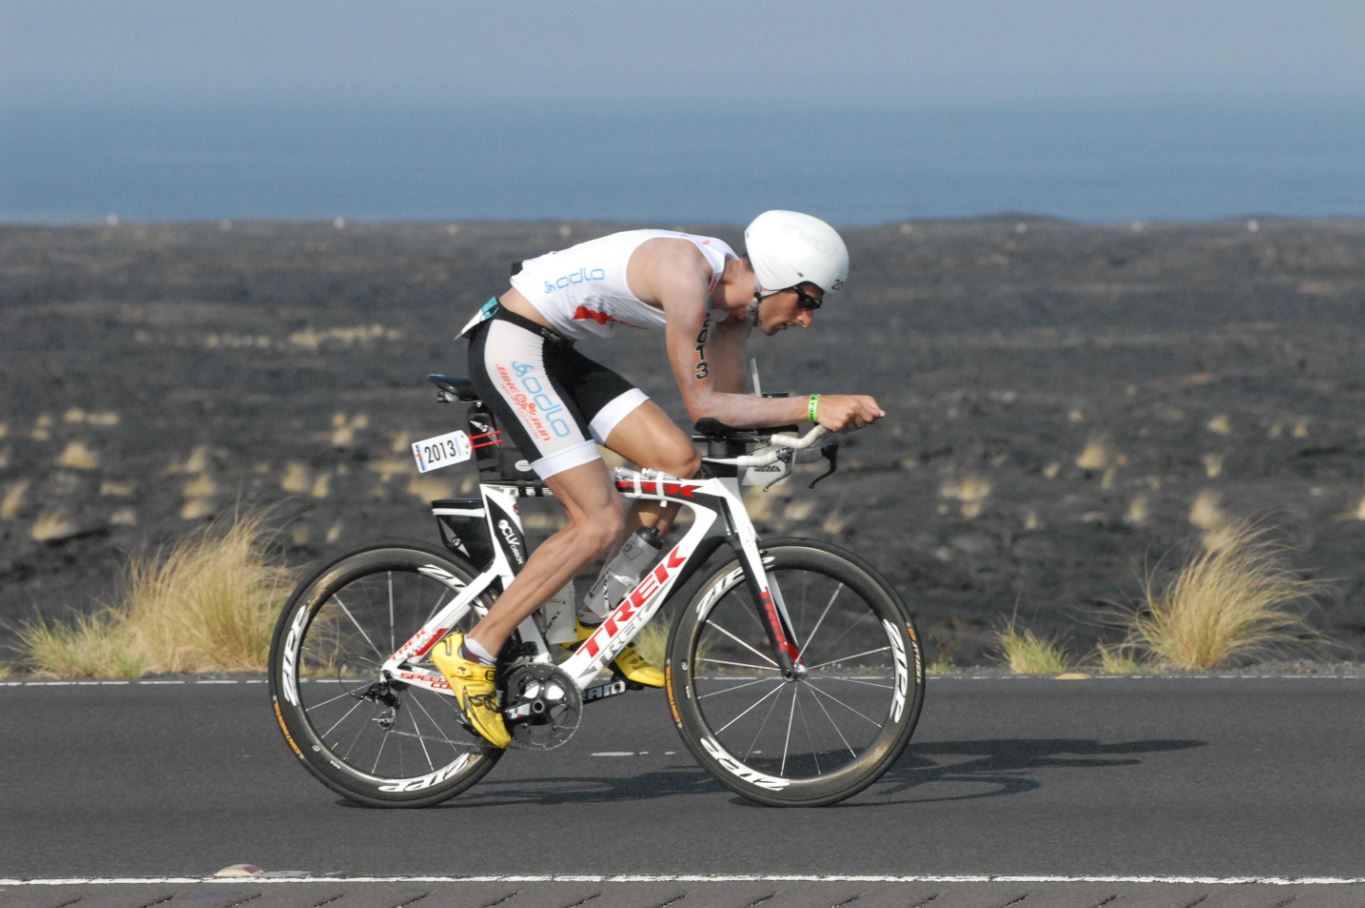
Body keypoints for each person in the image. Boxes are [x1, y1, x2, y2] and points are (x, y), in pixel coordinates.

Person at [431, 210, 886, 747]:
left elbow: (726, 414)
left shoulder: (734, 307)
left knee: (677, 462)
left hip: (555, 352)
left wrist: (793, 432)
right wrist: (813, 404)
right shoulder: (687, 277)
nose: (807, 318)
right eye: (807, 300)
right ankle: (472, 652)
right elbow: (704, 403)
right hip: (511, 345)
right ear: (778, 277)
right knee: (596, 522)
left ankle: (598, 622)